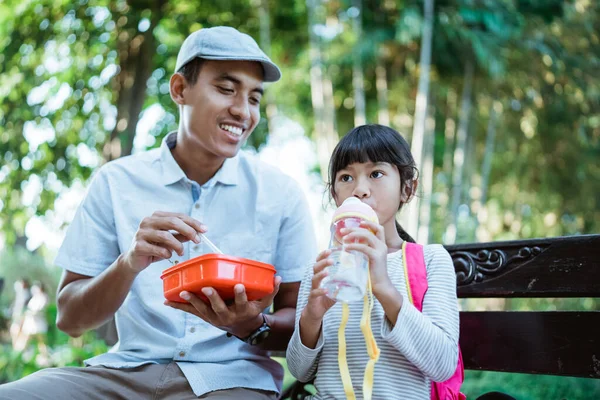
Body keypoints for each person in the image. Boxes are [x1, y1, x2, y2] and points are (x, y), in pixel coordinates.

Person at [0, 26, 317, 400]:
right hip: (123, 375)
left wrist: (251, 325)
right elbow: (70, 319)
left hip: (230, 382)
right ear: (180, 89)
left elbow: (301, 325)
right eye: (227, 89)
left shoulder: (280, 194)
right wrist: (129, 262)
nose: (242, 110)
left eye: (254, 98)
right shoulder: (116, 182)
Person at [286, 124, 461, 399]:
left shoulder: (431, 261)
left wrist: (384, 288)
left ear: (407, 188)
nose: (360, 189)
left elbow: (442, 365)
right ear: (335, 195)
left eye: (376, 173)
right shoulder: (320, 270)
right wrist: (312, 317)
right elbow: (300, 371)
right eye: (346, 178)